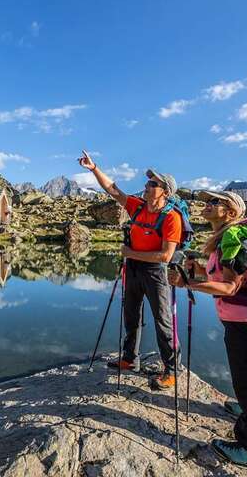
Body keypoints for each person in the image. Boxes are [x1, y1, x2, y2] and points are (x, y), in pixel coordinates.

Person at [168, 190, 247, 470]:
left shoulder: (232, 237)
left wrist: (186, 284)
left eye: (215, 202)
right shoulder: (223, 239)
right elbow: (220, 278)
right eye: (207, 201)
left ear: (230, 211)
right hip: (243, 318)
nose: (207, 205)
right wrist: (197, 270)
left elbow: (230, 287)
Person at [78, 150, 182, 389]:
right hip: (133, 270)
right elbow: (113, 190)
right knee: (131, 316)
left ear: (164, 191)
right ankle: (129, 359)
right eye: (146, 182)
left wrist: (129, 253)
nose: (146, 186)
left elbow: (166, 255)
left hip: (156, 272)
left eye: (152, 184)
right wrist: (94, 168)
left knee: (162, 321)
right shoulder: (136, 207)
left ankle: (171, 370)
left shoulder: (171, 218)